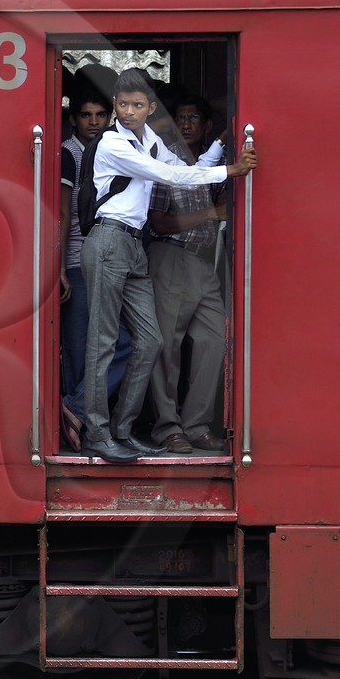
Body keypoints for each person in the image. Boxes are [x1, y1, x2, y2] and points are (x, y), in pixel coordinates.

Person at [78, 70, 256, 464]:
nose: (128, 111)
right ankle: (97, 434)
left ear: (150, 108)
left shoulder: (149, 140)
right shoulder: (113, 142)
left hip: (133, 245)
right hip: (108, 239)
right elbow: (168, 174)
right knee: (103, 342)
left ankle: (122, 431)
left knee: (151, 342)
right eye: (122, 104)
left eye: (137, 105)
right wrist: (230, 171)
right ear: (115, 106)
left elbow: (184, 169)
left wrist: (220, 149)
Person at [146, 94, 230, 454]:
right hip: (172, 258)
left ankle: (196, 425)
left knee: (214, 341)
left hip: (204, 263)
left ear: (207, 125)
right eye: (180, 117)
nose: (185, 124)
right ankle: (167, 427)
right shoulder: (165, 162)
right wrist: (209, 214)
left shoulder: (213, 164)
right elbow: (159, 223)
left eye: (194, 117)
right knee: (167, 348)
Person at [60, 89, 112, 442]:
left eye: (100, 115)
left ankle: (76, 411)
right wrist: (61, 266)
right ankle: (78, 423)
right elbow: (64, 213)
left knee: (121, 343)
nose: (93, 122)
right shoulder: (70, 153)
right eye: (85, 115)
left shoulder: (111, 149)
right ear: (73, 119)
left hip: (106, 259)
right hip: (77, 259)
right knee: (78, 349)